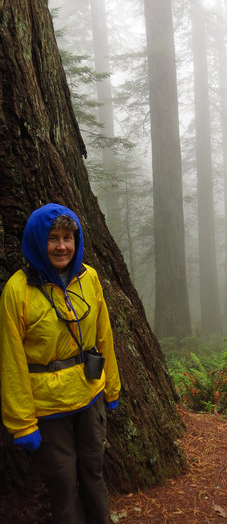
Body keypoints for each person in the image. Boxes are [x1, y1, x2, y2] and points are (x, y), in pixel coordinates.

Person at [0, 203, 121, 524]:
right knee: (62, 484)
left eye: (68, 237)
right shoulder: (18, 291)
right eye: (53, 238)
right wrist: (22, 424)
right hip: (48, 409)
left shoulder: (89, 277)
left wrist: (112, 388)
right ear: (38, 240)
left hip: (90, 396)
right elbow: (11, 362)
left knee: (94, 471)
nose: (62, 246)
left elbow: (104, 335)